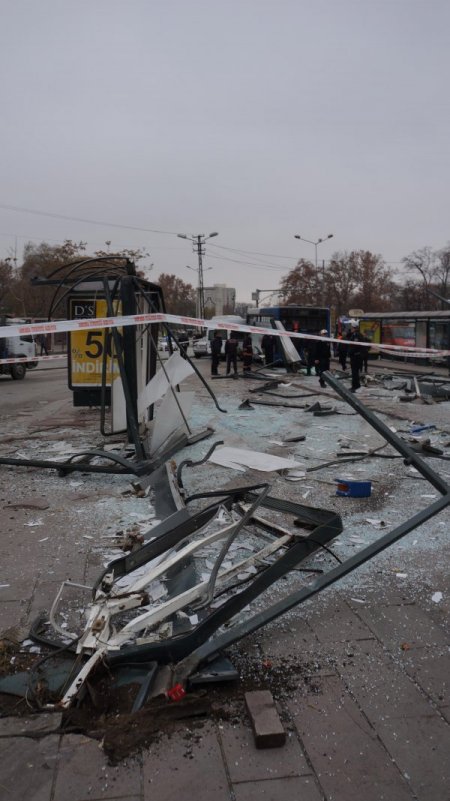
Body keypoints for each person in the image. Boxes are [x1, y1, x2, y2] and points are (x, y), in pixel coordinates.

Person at [348, 324, 364, 392]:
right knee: (355, 372)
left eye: (352, 328)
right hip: (356, 356)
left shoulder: (357, 335)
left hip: (356, 356)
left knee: (354, 372)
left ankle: (354, 386)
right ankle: (357, 385)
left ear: (355, 328)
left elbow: (355, 346)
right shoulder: (355, 334)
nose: (351, 329)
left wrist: (350, 352)